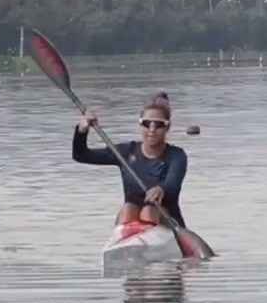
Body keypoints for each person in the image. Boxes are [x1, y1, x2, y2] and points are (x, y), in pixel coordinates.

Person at [74, 92, 190, 228]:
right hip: (130, 220)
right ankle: (127, 241)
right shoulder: (126, 152)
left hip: (168, 221)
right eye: (146, 123)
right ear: (140, 125)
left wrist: (161, 189)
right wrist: (82, 130)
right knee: (128, 208)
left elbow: (172, 184)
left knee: (148, 211)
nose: (151, 129)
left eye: (158, 125)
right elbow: (81, 155)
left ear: (167, 128)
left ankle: (149, 240)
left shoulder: (177, 155)